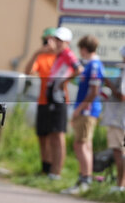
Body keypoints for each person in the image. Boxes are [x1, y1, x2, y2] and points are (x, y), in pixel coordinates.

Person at [61, 35, 104, 194]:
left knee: (81, 145)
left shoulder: (94, 65)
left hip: (87, 110)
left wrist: (78, 110)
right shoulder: (91, 65)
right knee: (84, 145)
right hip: (86, 109)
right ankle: (83, 178)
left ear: (84, 49)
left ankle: (85, 180)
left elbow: (94, 91)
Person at [46, 27, 83, 180]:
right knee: (54, 136)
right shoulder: (60, 54)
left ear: (67, 42)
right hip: (53, 97)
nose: (57, 43)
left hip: (59, 98)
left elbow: (79, 69)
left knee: (59, 135)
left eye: (60, 40)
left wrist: (63, 83)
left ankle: (57, 172)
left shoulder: (68, 53)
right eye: (56, 39)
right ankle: (53, 171)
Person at [25, 27, 57, 175]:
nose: (48, 43)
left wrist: (55, 50)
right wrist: (37, 52)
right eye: (45, 39)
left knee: (52, 138)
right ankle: (44, 169)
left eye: (51, 39)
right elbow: (28, 71)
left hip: (56, 101)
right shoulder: (41, 57)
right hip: (42, 100)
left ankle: (53, 170)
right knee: (42, 137)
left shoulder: (59, 56)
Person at [101, 45, 125, 193]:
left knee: (119, 152)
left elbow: (122, 96)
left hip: (119, 119)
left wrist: (109, 84)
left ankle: (120, 185)